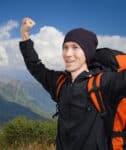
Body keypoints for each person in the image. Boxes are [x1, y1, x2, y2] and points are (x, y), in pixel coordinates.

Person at [19, 17, 126, 150]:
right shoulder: (59, 83)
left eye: (75, 48)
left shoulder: (104, 83)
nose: (68, 54)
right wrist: (24, 35)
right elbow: (35, 66)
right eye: (65, 48)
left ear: (87, 53)